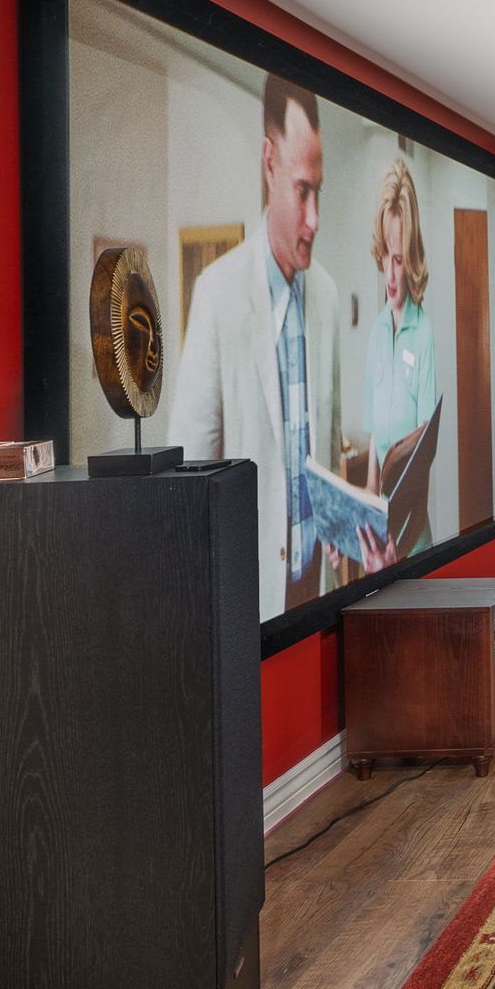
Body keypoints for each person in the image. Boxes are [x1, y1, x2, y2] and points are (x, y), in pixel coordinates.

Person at [169, 74, 344, 619]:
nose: (315, 219)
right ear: (270, 162)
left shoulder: (328, 297)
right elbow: (187, 483)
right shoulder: (216, 295)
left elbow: (330, 450)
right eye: (302, 191)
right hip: (251, 601)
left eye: (319, 192)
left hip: (320, 591)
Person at [362, 158, 437, 559]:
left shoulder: (423, 333)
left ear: (411, 260)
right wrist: (370, 496)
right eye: (385, 257)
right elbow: (375, 434)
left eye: (399, 260)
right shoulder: (376, 334)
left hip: (412, 534)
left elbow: (423, 451)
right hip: (382, 531)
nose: (390, 275)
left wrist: (401, 542)